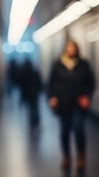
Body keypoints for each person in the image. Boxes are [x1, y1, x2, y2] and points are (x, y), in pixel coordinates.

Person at [48, 39, 95, 173]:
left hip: (78, 104)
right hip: (63, 104)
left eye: (73, 47)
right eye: (68, 47)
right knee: (64, 131)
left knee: (79, 129)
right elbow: (51, 84)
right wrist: (52, 97)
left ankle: (81, 156)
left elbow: (90, 83)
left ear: (76, 49)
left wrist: (86, 95)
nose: (71, 49)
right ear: (65, 49)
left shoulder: (83, 64)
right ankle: (66, 156)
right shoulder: (57, 65)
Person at [17, 58, 42, 132]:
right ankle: (36, 123)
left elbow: (21, 84)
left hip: (27, 94)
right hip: (34, 93)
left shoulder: (23, 73)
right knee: (35, 108)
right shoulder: (34, 72)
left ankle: (32, 123)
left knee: (30, 109)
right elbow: (39, 82)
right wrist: (39, 90)